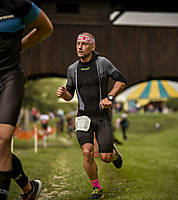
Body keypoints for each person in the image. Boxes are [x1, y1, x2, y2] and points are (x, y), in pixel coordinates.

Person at [57, 32, 127, 199]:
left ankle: (114, 153)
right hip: (83, 116)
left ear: (92, 46)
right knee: (87, 152)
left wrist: (110, 97)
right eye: (78, 44)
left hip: (102, 116)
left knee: (106, 157)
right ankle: (96, 188)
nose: (80, 47)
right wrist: (64, 93)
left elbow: (121, 80)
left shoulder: (102, 63)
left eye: (84, 44)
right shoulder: (72, 69)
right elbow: (69, 96)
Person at [0, 0, 53, 199]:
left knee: (3, 139)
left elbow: (45, 27)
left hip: (9, 76)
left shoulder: (18, 4)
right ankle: (29, 188)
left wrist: (20, 46)